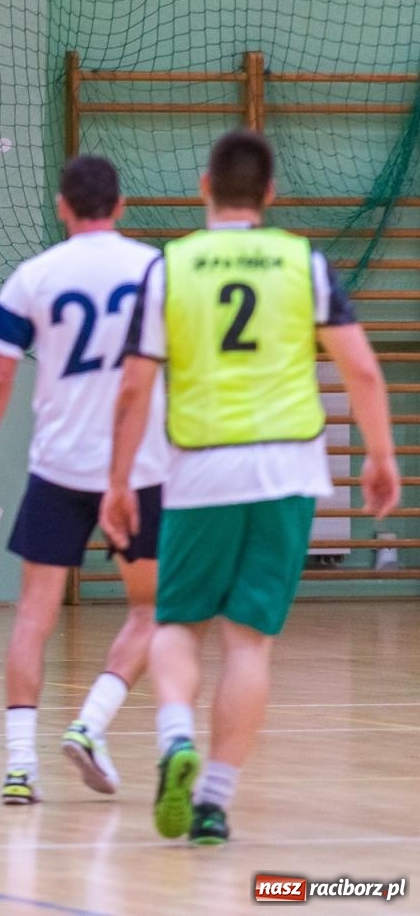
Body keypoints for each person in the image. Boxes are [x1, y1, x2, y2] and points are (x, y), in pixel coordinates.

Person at [101, 130, 399, 845]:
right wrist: (381, 455)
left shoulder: (171, 266)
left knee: (177, 622)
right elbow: (360, 370)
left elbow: (134, 386)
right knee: (249, 643)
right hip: (288, 469)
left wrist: (116, 481)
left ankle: (176, 737)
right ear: (270, 194)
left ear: (205, 188)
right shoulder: (305, 262)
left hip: (203, 464)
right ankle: (214, 802)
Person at [0, 155, 167, 805]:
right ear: (122, 205)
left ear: (61, 206)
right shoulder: (156, 270)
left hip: (58, 465)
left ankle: (20, 765)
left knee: (34, 615)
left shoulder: (34, 276)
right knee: (153, 608)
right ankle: (91, 722)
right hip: (139, 469)